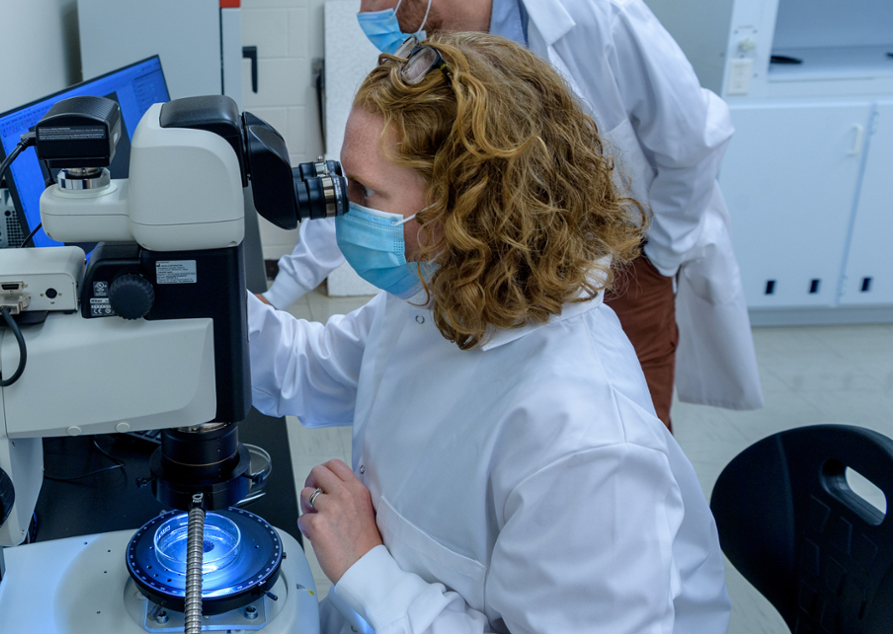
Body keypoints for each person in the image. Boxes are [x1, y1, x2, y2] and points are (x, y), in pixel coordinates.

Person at [249, 31, 730, 633]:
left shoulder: (585, 445)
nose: (340, 211)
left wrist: (366, 567)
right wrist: (200, 289)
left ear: (464, 212)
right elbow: (310, 365)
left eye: (365, 192)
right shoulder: (438, 291)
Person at [260, 0, 761, 429]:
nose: (363, 9)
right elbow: (368, 183)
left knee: (616, 420)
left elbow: (694, 142)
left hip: (625, 263)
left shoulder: (601, 15)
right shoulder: (423, 54)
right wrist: (277, 293)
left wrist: (654, 258)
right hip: (489, 274)